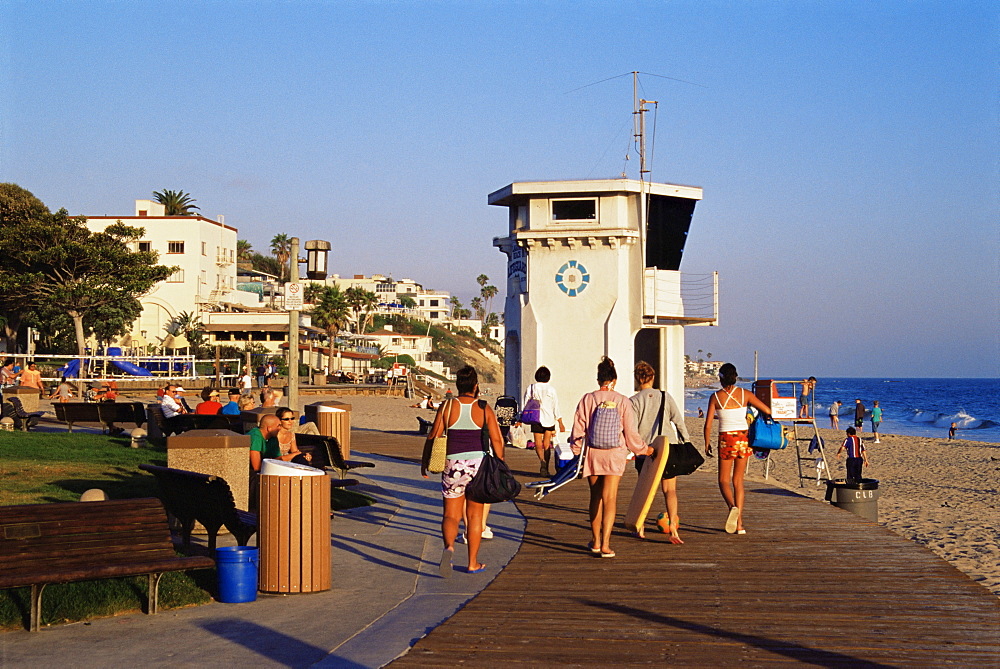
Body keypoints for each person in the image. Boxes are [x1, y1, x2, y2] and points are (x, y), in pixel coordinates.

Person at [421, 365, 504, 576]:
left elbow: (433, 436)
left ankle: (448, 548)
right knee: (475, 516)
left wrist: (425, 462)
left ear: (458, 386)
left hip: (452, 465)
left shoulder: (448, 407)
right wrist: (501, 464)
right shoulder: (484, 408)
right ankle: (472, 562)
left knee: (450, 515)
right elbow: (497, 440)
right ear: (476, 386)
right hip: (477, 465)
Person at [569, 357, 652, 558]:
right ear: (614, 380)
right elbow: (630, 434)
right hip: (615, 455)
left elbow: (578, 429)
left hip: (593, 453)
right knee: (610, 498)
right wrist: (644, 450)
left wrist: (577, 451)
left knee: (595, 497)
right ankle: (606, 544)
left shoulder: (588, 399)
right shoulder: (623, 401)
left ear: (599, 379)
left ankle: (596, 541)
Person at [703, 362, 772, 535]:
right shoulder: (745, 394)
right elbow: (767, 410)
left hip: (726, 439)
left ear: (720, 378)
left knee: (723, 480)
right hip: (743, 437)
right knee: (738, 482)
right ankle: (740, 524)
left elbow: (708, 424)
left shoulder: (716, 397)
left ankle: (732, 507)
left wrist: (706, 443)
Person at [630, 361, 691, 544]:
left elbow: (632, 430)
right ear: (653, 377)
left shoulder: (633, 401)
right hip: (667, 447)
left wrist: (630, 450)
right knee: (670, 489)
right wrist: (686, 441)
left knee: (644, 490)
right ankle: (673, 525)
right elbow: (678, 421)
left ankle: (640, 526)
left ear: (637, 378)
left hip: (646, 449)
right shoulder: (665, 396)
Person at [521, 366, 565, 477]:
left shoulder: (531, 388)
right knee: (547, 444)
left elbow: (525, 404)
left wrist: (520, 418)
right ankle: (546, 464)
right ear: (548, 377)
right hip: (549, 419)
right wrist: (560, 421)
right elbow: (556, 406)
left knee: (538, 443)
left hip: (536, 418)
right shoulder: (551, 389)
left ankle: (542, 462)